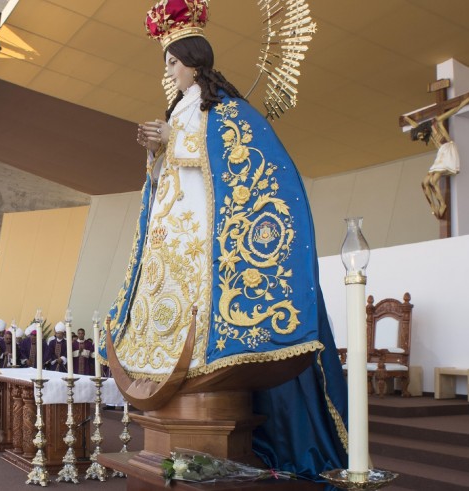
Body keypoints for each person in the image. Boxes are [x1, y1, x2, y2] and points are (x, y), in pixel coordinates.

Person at [100, 0, 347, 483]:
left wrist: (175, 139)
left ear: (193, 60)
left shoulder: (227, 111)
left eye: (172, 61)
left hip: (204, 238)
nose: (168, 70)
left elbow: (234, 161)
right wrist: (155, 153)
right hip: (173, 232)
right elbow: (166, 179)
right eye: (166, 63)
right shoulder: (180, 109)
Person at [403, 91, 469, 219]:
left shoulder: (436, 123)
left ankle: (442, 205)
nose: (421, 138)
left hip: (447, 149)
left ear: (424, 130)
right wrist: (408, 119)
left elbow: (455, 109)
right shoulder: (425, 131)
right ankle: (433, 207)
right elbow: (416, 126)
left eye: (420, 136)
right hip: (441, 153)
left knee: (432, 181)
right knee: (424, 183)